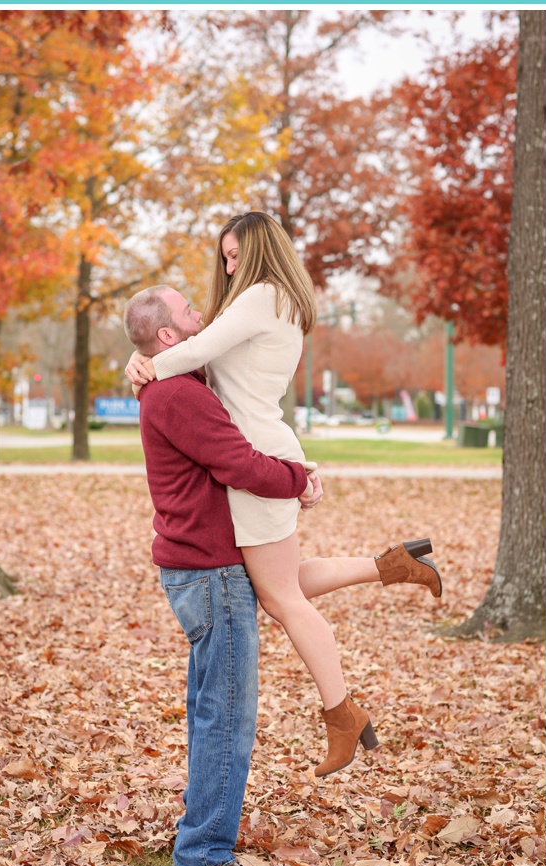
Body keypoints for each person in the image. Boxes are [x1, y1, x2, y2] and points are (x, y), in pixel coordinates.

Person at [125, 212, 442, 778]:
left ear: (263, 250)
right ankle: (394, 565)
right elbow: (202, 358)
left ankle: (342, 713)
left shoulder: (260, 296)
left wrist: (145, 365)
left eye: (236, 255)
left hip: (255, 459)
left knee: (280, 599)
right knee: (283, 582)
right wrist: (148, 360)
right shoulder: (277, 300)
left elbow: (191, 354)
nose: (228, 266)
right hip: (265, 448)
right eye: (223, 257)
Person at [124, 284, 321, 866]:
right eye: (188, 311)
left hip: (199, 569)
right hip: (211, 572)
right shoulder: (180, 395)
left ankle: (200, 830)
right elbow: (236, 461)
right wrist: (298, 478)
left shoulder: (175, 384)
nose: (201, 315)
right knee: (227, 718)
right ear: (167, 336)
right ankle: (205, 852)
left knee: (212, 708)